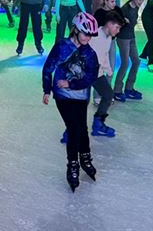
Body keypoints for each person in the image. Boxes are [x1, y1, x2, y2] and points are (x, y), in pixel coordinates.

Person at [42, 12, 100, 193]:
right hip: (63, 96)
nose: (87, 38)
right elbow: (48, 67)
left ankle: (85, 156)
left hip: (81, 96)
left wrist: (72, 83)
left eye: (90, 35)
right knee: (74, 129)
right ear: (75, 29)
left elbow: (90, 77)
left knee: (81, 128)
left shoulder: (90, 53)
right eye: (85, 33)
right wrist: (46, 89)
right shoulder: (62, 46)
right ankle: (73, 164)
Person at [88, 11, 126, 138]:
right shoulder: (94, 36)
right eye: (117, 27)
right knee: (80, 103)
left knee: (108, 95)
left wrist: (108, 69)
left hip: (97, 74)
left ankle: (98, 124)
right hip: (85, 74)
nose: (118, 31)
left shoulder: (109, 38)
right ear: (109, 24)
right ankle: (71, 131)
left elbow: (103, 55)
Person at [114, 0, 146, 102]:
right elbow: (117, 23)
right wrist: (124, 22)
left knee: (136, 61)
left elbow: (132, 22)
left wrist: (131, 23)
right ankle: (117, 90)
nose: (141, 1)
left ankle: (129, 88)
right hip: (123, 38)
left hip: (131, 37)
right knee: (125, 63)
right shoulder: (124, 9)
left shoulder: (136, 7)